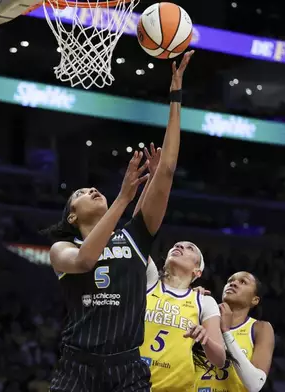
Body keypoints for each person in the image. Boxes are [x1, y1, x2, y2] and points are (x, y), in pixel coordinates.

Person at [43, 50, 194, 392]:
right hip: (77, 367)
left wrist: (175, 97)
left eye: (94, 187)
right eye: (83, 192)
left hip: (127, 368)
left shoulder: (134, 238)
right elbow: (85, 260)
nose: (93, 189)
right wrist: (124, 197)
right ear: (72, 214)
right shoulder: (62, 249)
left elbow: (167, 170)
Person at [140, 239, 226, 391]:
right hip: (133, 381)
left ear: (197, 271)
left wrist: (205, 339)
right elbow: (135, 240)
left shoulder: (203, 301)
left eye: (190, 248)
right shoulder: (150, 280)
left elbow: (220, 360)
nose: (179, 246)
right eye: (176, 245)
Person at [194, 271, 275, 392]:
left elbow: (255, 385)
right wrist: (188, 302)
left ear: (255, 300)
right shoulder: (202, 319)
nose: (233, 283)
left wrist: (226, 333)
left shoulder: (260, 328)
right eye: (230, 281)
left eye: (243, 282)